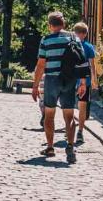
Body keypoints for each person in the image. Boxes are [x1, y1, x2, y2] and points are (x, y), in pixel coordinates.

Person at [31, 12, 85, 164]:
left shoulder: (46, 40)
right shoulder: (74, 38)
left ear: (50, 25)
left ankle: (50, 147)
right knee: (69, 115)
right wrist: (82, 83)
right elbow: (81, 61)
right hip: (69, 80)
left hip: (52, 80)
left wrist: (35, 86)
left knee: (49, 114)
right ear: (64, 24)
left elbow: (41, 64)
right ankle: (70, 146)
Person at [72, 22, 97, 144]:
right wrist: (94, 80)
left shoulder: (70, 45)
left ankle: (70, 128)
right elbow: (92, 66)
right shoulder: (89, 47)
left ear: (74, 33)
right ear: (86, 34)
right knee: (83, 106)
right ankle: (80, 131)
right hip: (85, 80)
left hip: (71, 79)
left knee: (70, 105)